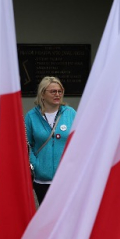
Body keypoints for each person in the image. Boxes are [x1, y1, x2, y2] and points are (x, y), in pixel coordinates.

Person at [25, 76, 76, 204]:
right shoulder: (31, 116)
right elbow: (27, 144)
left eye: (60, 91)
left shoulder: (70, 113)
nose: (57, 94)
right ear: (42, 94)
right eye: (53, 91)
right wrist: (35, 165)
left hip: (66, 178)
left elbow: (78, 142)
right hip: (42, 180)